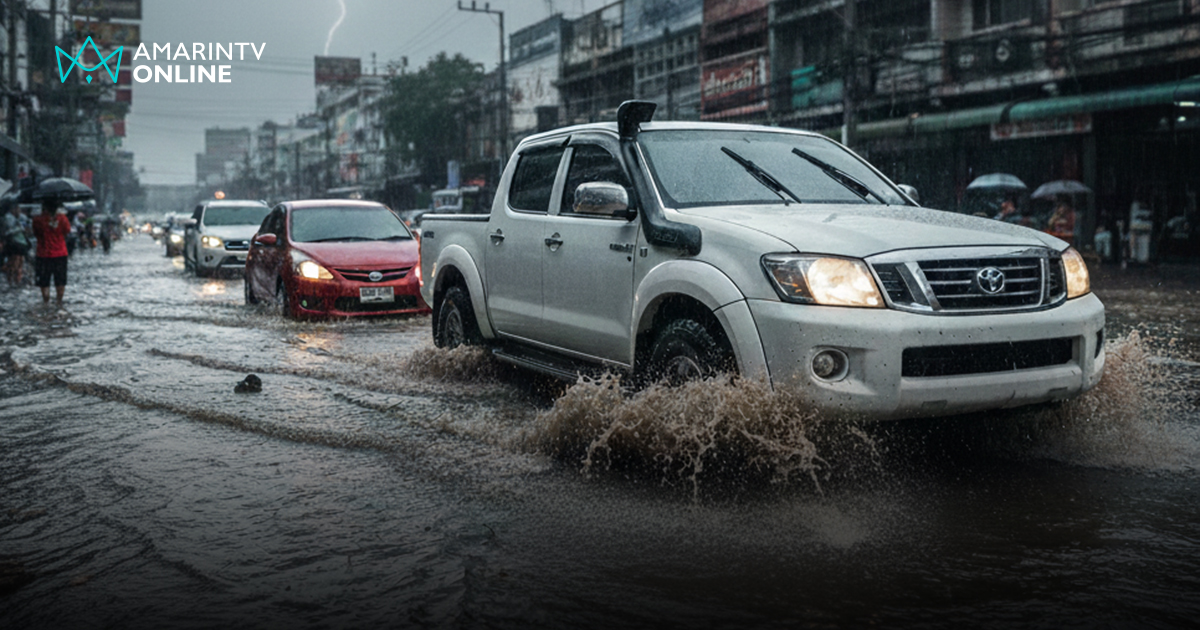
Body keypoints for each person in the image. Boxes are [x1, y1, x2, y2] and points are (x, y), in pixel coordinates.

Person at [31, 200, 72, 305]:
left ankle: (46, 302)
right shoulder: (63, 219)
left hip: (43, 254)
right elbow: (67, 231)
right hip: (60, 253)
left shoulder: (38, 220)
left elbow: (36, 233)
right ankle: (59, 302)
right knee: (60, 280)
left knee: (44, 281)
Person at [3, 202, 31, 286]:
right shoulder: (8, 218)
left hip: (21, 242)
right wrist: (20, 228)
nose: (19, 211)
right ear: (13, 209)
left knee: (20, 262)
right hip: (14, 243)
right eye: (18, 209)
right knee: (14, 262)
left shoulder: (19, 217)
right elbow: (8, 232)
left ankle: (17, 280)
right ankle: (11, 279)